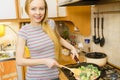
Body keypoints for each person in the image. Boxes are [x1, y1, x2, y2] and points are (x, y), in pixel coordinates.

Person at [16, 0, 78, 80]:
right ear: (27, 10)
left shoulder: (51, 24)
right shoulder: (24, 32)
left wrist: (72, 48)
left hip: (54, 77)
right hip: (35, 78)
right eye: (33, 9)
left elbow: (59, 39)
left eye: (41, 8)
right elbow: (19, 61)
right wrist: (44, 61)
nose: (38, 13)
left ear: (45, 10)